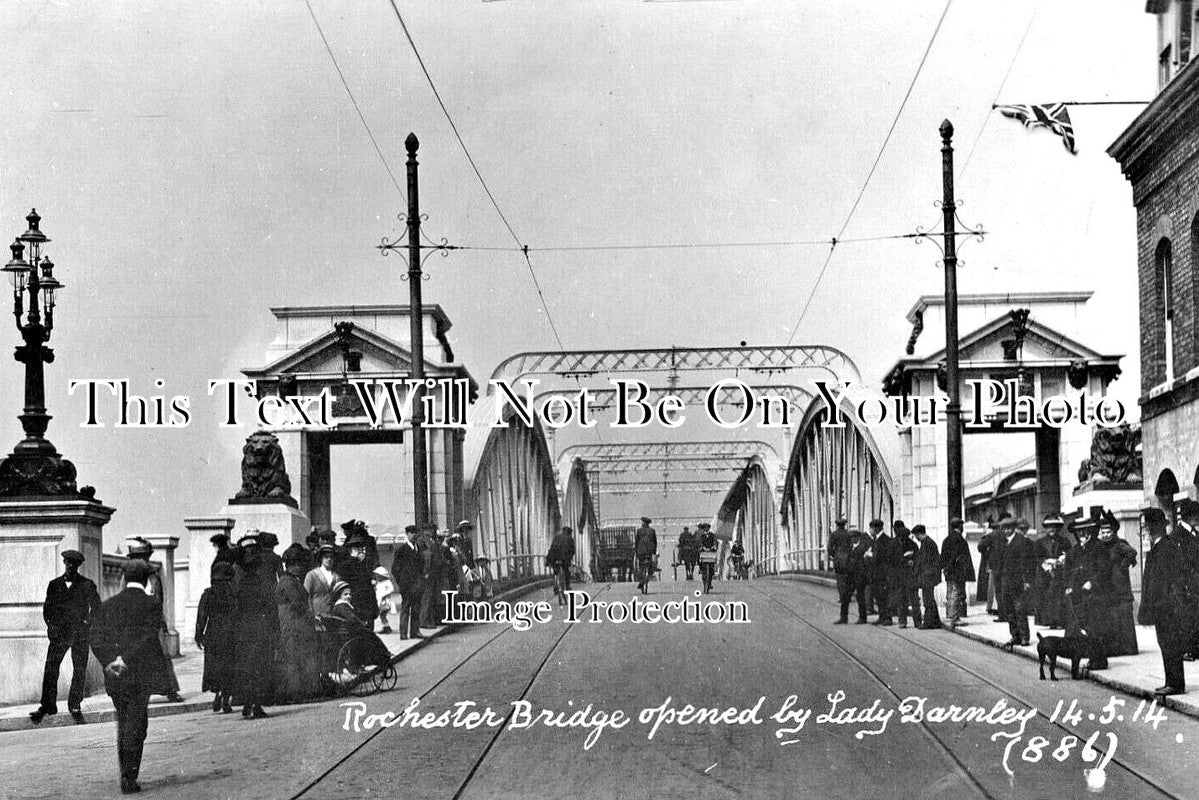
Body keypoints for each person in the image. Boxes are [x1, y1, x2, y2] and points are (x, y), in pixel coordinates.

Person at [89, 559, 174, 795]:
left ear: (124, 579)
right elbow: (148, 638)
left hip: (115, 676)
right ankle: (128, 776)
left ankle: (127, 773)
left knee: (124, 722)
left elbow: (95, 637)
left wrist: (110, 661)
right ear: (147, 579)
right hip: (139, 673)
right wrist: (125, 659)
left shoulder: (107, 605)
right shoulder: (152, 604)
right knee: (136, 724)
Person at [30, 549, 101, 724]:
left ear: (78, 566)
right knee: (51, 668)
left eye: (74, 564)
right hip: (59, 635)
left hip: (80, 635)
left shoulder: (87, 585)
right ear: (64, 563)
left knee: (79, 669)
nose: (70, 566)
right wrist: (52, 628)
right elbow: (47, 610)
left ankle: (75, 704)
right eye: (68, 563)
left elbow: (98, 609)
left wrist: (87, 624)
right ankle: (48, 705)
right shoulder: (54, 585)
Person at [1140, 508, 1195, 695]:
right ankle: (1170, 681)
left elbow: (1169, 581)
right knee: (1166, 644)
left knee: (1171, 644)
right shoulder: (1160, 547)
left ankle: (1176, 683)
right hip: (1162, 607)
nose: (1146, 530)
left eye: (1147, 526)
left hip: (1167, 608)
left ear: (1152, 527)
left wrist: (1164, 605)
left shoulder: (1165, 548)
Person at [124, 538, 184, 703]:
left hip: (153, 622)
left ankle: (170, 690)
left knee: (162, 656)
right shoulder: (127, 577)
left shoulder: (153, 577)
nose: (141, 561)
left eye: (143, 557)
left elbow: (159, 599)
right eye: (138, 557)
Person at [231, 533, 278, 718]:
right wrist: (274, 627)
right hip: (256, 628)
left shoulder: (237, 577)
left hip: (245, 629)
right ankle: (254, 704)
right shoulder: (257, 579)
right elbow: (269, 604)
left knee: (249, 667)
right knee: (258, 667)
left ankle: (249, 702)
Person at [275, 544, 324, 702]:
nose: (300, 568)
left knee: (296, 659)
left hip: (294, 626)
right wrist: (311, 617)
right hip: (293, 627)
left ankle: (299, 692)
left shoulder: (288, 580)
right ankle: (297, 693)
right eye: (297, 565)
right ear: (291, 566)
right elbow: (298, 604)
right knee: (295, 660)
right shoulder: (288, 582)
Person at [195, 561, 237, 714]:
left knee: (215, 667)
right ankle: (226, 698)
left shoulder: (208, 593)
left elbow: (201, 616)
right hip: (231, 634)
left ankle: (217, 692)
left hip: (213, 635)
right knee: (229, 667)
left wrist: (198, 636)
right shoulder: (233, 593)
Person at [999, 517, 1037, 647]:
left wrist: (1027, 580)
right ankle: (1015, 636)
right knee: (1009, 611)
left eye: (1009, 528)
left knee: (1020, 610)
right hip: (1006, 582)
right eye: (1004, 528)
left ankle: (1024, 637)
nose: (1007, 531)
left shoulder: (1021, 542)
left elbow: (1027, 563)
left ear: (1014, 528)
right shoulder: (1003, 542)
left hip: (1018, 582)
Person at [1034, 514, 1073, 629]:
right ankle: (1048, 621)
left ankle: (1059, 621)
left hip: (1060, 572)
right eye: (1049, 527)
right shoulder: (1039, 542)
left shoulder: (1065, 541)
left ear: (1058, 528)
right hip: (1045, 573)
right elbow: (1037, 558)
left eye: (1054, 526)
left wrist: (1062, 559)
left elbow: (1069, 555)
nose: (1051, 529)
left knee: (1058, 597)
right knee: (1046, 596)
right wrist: (1045, 563)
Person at [939, 517, 974, 628]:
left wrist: (945, 569)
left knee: (950, 593)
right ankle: (955, 618)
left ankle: (950, 615)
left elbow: (943, 556)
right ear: (960, 526)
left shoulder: (947, 539)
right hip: (957, 571)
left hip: (949, 571)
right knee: (957, 593)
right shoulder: (959, 539)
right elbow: (956, 556)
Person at [391, 526, 424, 640]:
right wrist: (401, 582)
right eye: (412, 533)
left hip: (417, 585)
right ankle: (403, 634)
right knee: (405, 609)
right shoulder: (401, 549)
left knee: (416, 608)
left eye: (415, 533)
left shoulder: (417, 547)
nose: (414, 535)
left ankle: (415, 631)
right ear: (407, 534)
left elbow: (421, 565)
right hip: (407, 586)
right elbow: (395, 569)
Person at [834, 526, 871, 625]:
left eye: (854, 537)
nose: (852, 539)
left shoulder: (863, 547)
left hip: (860, 576)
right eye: (851, 537)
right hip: (850, 576)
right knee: (845, 597)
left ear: (858, 537)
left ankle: (862, 618)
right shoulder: (849, 547)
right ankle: (843, 617)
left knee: (860, 597)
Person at [342, 532, 380, 626]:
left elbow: (370, 576)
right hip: (355, 599)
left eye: (361, 547)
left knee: (369, 626)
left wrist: (363, 561)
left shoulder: (366, 561)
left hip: (368, 599)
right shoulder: (347, 564)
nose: (359, 550)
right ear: (351, 549)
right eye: (356, 548)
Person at [889, 521, 921, 629]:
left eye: (905, 537)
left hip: (911, 576)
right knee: (901, 600)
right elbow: (891, 561)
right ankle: (902, 621)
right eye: (902, 538)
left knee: (914, 600)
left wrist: (913, 563)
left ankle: (918, 621)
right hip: (899, 577)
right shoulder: (892, 545)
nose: (904, 540)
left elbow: (918, 558)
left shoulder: (913, 545)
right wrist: (904, 559)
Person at [912, 525, 942, 629]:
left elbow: (927, 561)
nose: (916, 538)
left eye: (916, 535)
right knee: (929, 599)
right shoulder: (928, 543)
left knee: (928, 600)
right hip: (928, 576)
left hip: (928, 576)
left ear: (919, 534)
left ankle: (929, 623)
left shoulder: (927, 543)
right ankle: (936, 621)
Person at [866, 519, 893, 625]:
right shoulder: (877, 540)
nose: (870, 530)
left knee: (884, 597)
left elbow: (882, 558)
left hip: (883, 574)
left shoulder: (884, 540)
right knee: (879, 596)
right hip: (877, 574)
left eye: (871, 528)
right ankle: (882, 617)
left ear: (876, 528)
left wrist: (869, 556)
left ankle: (887, 618)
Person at [420, 525, 448, 627]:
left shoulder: (432, 542)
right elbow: (426, 559)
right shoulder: (422, 542)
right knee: (427, 598)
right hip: (428, 574)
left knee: (432, 598)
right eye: (428, 530)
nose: (430, 532)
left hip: (434, 574)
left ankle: (430, 620)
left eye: (431, 530)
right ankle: (424, 621)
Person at [304, 544, 340, 617]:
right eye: (326, 557)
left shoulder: (336, 577)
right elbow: (306, 596)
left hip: (332, 615)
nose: (329, 559)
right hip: (316, 614)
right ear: (321, 558)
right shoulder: (312, 575)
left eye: (331, 557)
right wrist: (311, 613)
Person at [546, 525, 577, 604]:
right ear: (569, 533)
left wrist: (548, 560)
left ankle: (555, 586)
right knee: (566, 572)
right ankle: (567, 586)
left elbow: (552, 548)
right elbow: (573, 551)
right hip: (565, 560)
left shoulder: (556, 537)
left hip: (555, 559)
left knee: (556, 571)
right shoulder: (570, 539)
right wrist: (570, 558)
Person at [634, 517, 658, 594]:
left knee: (641, 566)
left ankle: (641, 581)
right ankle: (647, 578)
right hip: (649, 552)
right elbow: (655, 542)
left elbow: (636, 542)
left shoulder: (639, 531)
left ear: (643, 523)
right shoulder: (652, 531)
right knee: (651, 569)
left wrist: (637, 552)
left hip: (641, 552)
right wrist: (654, 551)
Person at [697, 523, 718, 594]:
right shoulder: (702, 536)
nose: (706, 529)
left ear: (709, 528)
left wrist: (714, 547)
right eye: (705, 528)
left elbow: (715, 542)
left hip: (711, 552)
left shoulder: (712, 535)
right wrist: (702, 547)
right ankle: (700, 568)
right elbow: (700, 543)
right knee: (699, 559)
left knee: (711, 568)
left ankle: (710, 580)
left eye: (708, 527)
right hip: (704, 552)